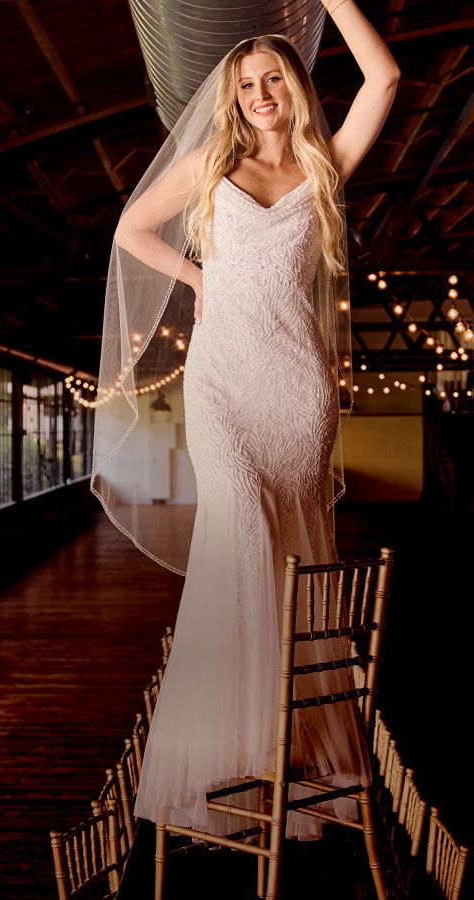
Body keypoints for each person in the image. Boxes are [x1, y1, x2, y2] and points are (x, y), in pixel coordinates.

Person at [92, 2, 400, 841]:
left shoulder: (325, 165)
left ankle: (295, 750)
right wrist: (196, 278)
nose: (261, 94)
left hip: (298, 394)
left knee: (293, 551)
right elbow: (132, 228)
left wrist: (336, 0)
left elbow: (387, 79)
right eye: (247, 86)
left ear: (295, 87)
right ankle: (233, 756)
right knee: (241, 543)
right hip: (223, 385)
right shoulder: (210, 165)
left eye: (273, 80)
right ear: (231, 99)